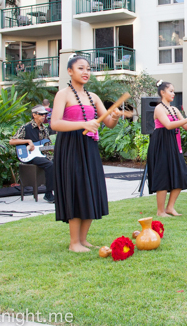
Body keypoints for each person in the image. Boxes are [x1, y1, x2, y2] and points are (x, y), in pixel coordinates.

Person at [50, 55, 122, 252]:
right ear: (70, 71)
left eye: (88, 69)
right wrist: (83, 123)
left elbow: (107, 123)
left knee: (91, 188)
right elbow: (55, 123)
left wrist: (114, 116)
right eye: (81, 68)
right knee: (76, 189)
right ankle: (74, 243)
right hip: (71, 147)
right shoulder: (62, 94)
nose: (85, 72)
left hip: (89, 147)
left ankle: (83, 239)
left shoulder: (94, 97)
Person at [147, 80, 187, 217]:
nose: (173, 93)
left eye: (173, 91)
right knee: (163, 176)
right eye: (170, 91)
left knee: (182, 174)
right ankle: (160, 211)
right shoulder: (159, 108)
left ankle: (170, 207)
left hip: (173, 144)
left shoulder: (175, 109)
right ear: (162, 92)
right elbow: (169, 125)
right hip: (161, 144)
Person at [9, 105, 55, 203]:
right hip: (30, 155)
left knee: (60, 161)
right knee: (49, 165)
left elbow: (47, 146)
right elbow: (12, 141)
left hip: (42, 154)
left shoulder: (44, 129)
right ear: (34, 115)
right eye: (41, 114)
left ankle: (60, 191)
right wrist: (28, 141)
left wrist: (56, 149)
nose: (44, 116)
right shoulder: (26, 127)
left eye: (45, 114)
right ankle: (48, 193)